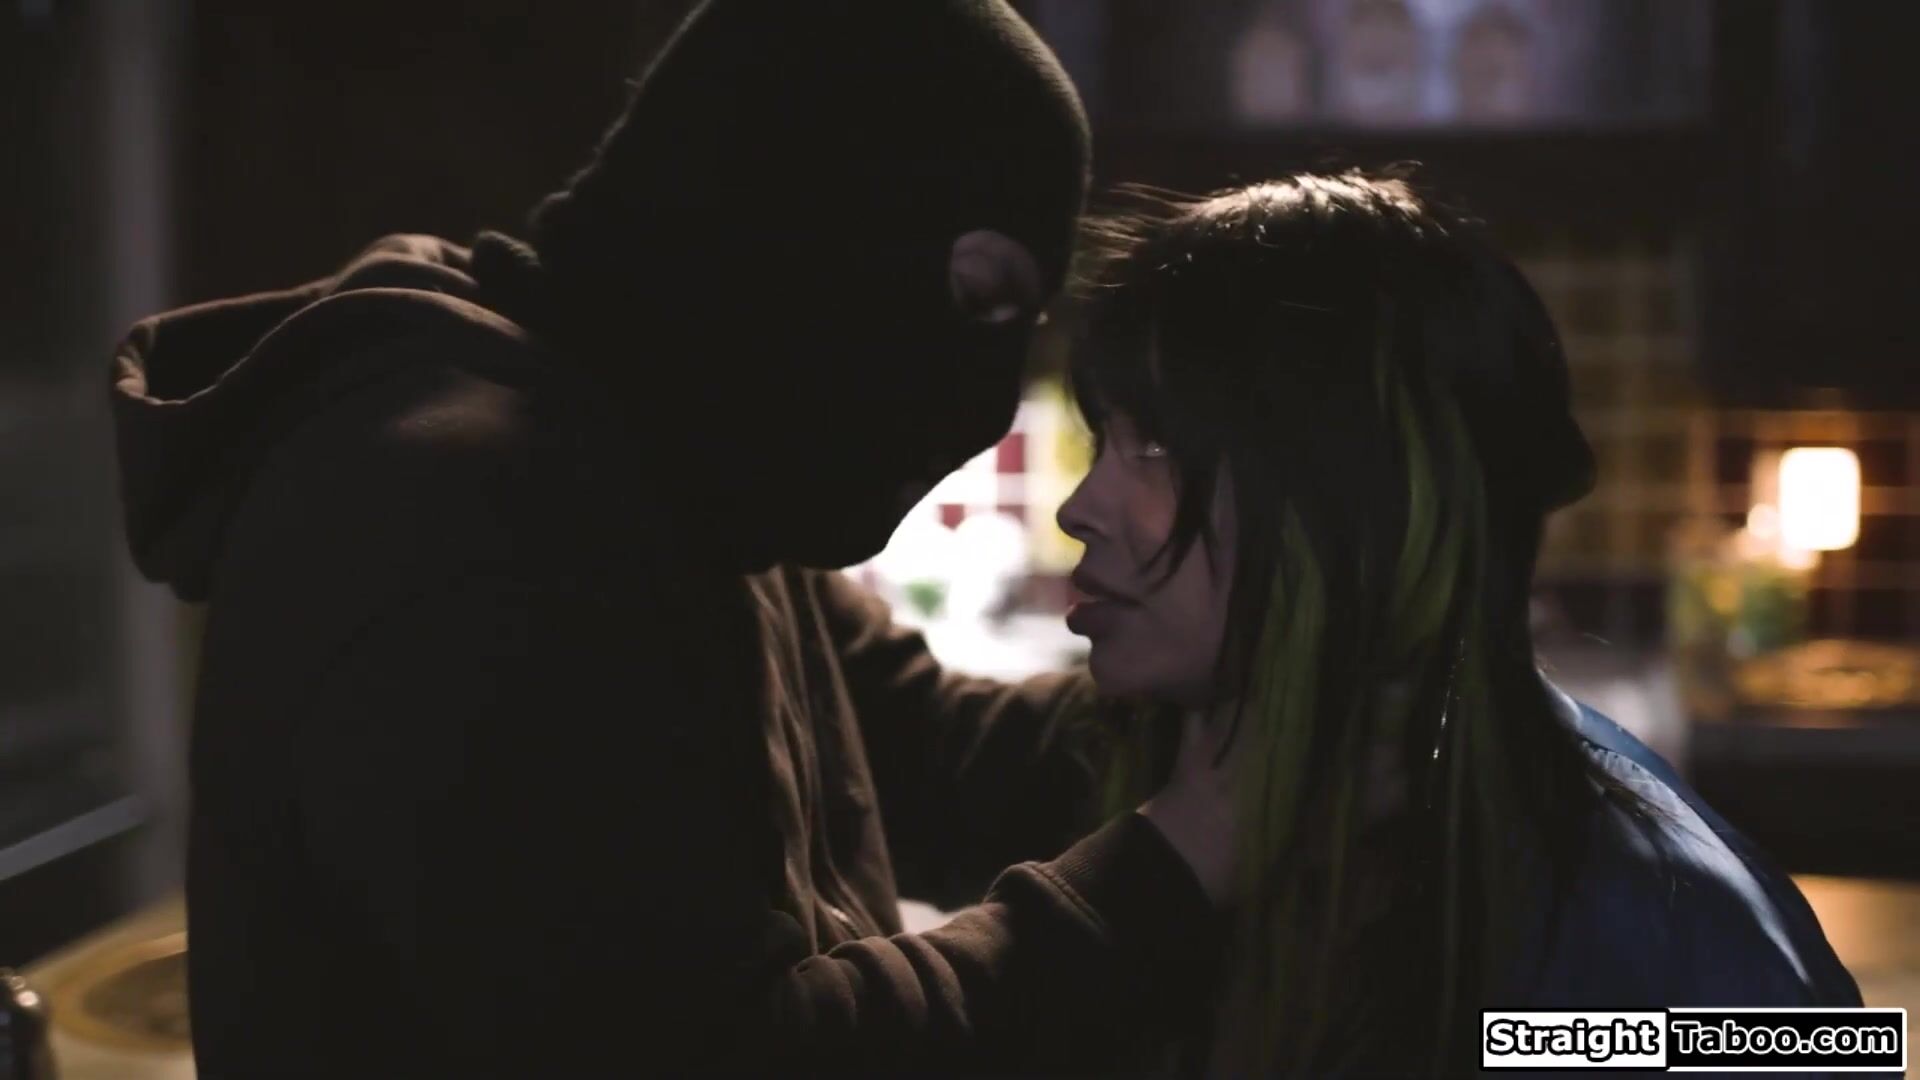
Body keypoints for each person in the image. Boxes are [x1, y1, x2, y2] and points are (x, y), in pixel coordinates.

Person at [107, 3, 1238, 1075]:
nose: (984, 401)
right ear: (795, 217)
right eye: (976, 292)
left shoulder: (682, 467)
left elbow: (931, 756)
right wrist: (1168, 870)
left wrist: (1253, 703)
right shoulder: (475, 538)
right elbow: (730, 1059)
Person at [1055, 171, 1862, 1076]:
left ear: (1361, 495)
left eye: (1157, 444)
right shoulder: (1174, 802)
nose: (1080, 509)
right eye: (1101, 441)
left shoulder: (1660, 939)